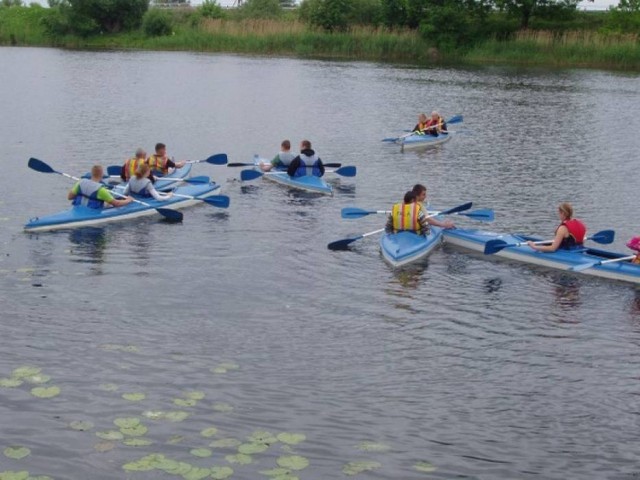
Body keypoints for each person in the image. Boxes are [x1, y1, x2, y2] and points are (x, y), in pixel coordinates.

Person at [68, 165, 132, 209]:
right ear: (102, 175)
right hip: (92, 213)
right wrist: (128, 200)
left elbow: (70, 197)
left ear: (91, 173)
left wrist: (84, 193)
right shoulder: (101, 190)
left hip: (77, 209)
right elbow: (116, 203)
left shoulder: (80, 183)